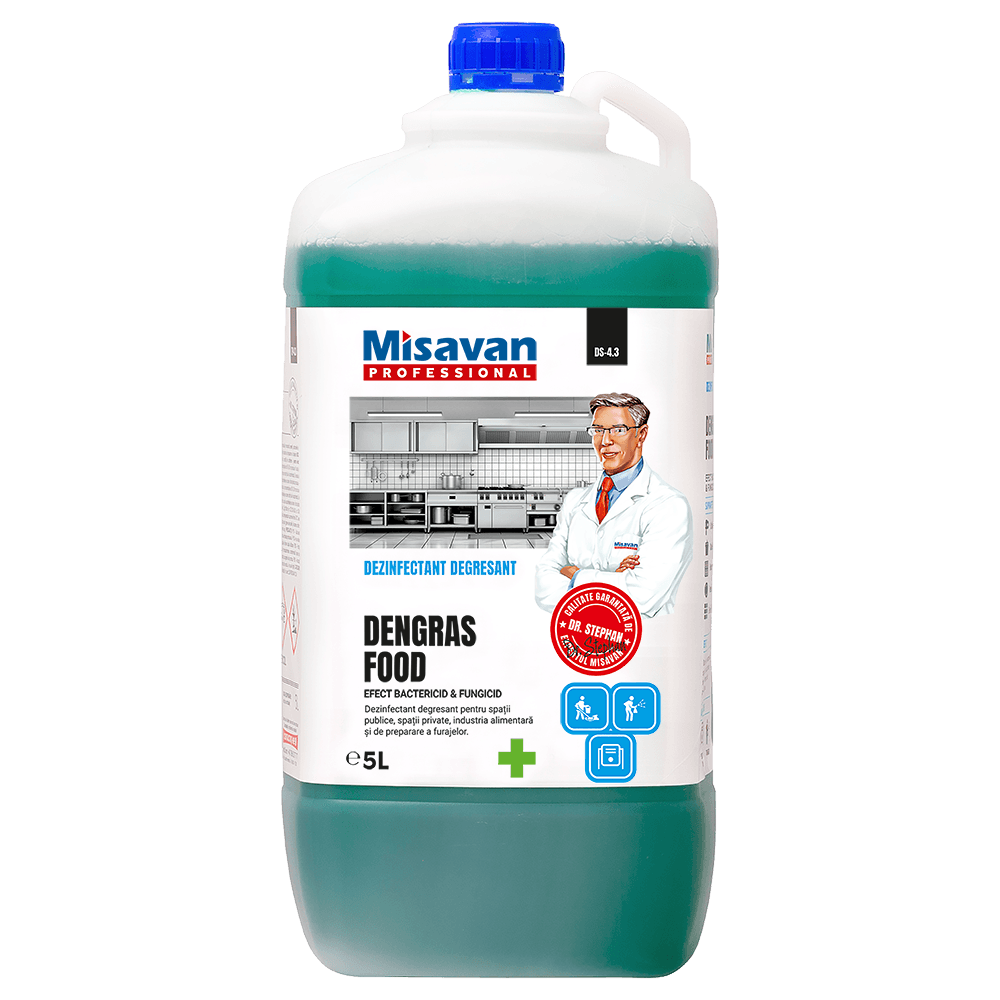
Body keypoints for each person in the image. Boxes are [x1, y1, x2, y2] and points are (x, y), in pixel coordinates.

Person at [534, 392, 693, 618]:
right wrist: (617, 579)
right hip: (574, 632)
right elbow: (544, 587)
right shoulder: (575, 501)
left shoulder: (668, 505)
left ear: (641, 434)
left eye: (618, 429)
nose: (605, 441)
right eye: (598, 430)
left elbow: (643, 595)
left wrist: (575, 575)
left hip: (645, 636)